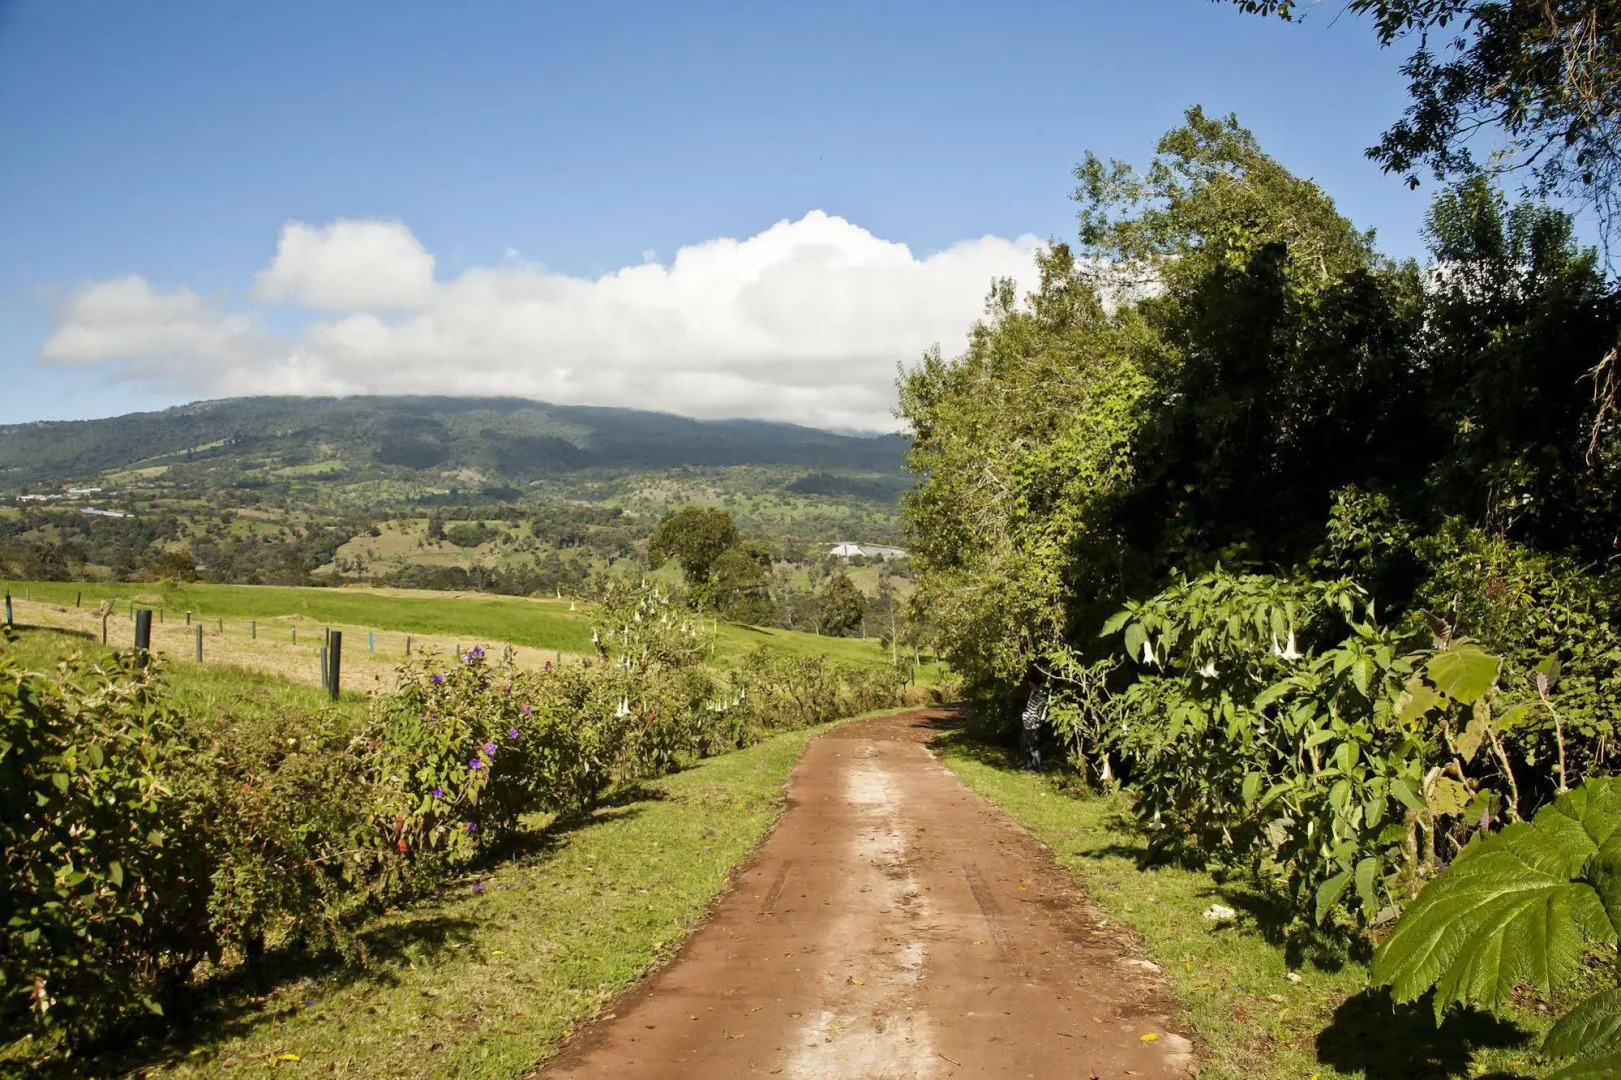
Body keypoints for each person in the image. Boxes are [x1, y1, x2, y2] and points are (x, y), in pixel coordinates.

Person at [1020, 665, 1049, 771]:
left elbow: (1042, 712)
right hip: (1026, 721)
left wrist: (1039, 724)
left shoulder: (1041, 696)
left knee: (1034, 746)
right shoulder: (1033, 692)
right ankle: (1028, 765)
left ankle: (1036, 767)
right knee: (1025, 744)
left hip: (1034, 724)